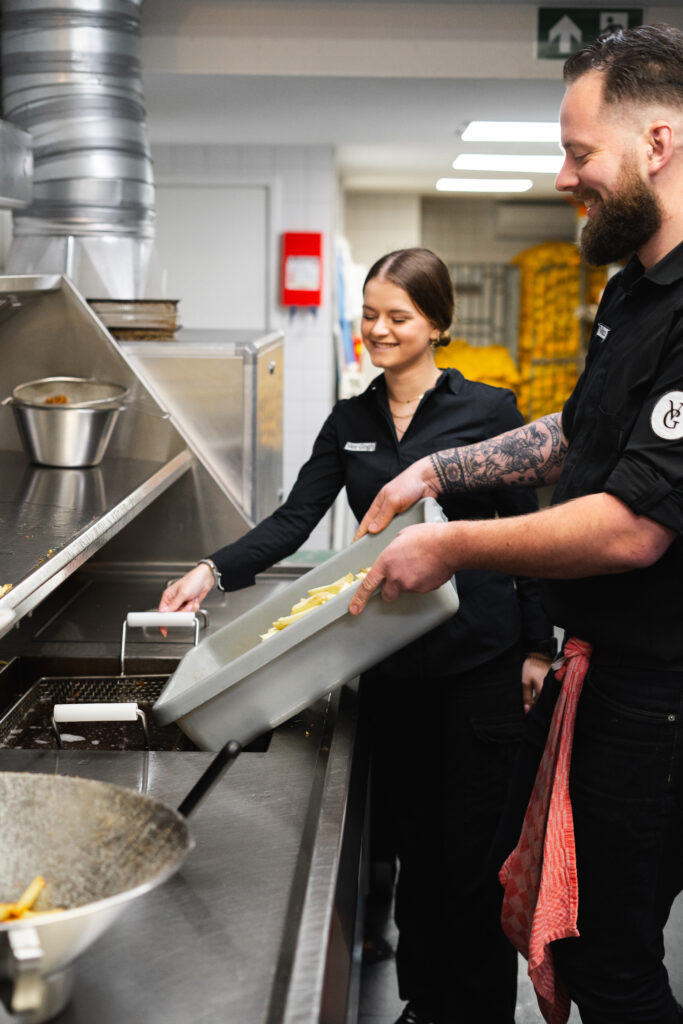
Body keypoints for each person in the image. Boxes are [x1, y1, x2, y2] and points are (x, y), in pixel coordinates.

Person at [349, 23, 683, 1024]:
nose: (563, 177)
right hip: (604, 670)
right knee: (556, 917)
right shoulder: (632, 290)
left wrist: (450, 541)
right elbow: (576, 434)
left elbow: (630, 527)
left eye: (578, 153)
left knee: (609, 957)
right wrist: (435, 469)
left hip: (661, 691)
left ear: (657, 144)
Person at [158, 246, 555, 1024]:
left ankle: (474, 1012)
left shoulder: (488, 412)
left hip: (481, 662)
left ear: (437, 324)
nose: (377, 329)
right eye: (368, 315)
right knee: (412, 849)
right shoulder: (351, 422)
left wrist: (538, 646)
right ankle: (425, 1003)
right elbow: (294, 519)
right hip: (389, 663)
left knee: (473, 857)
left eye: (396, 316)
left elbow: (527, 532)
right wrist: (213, 569)